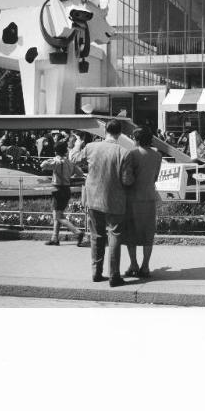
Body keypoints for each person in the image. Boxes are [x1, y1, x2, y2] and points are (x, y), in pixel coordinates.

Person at [71, 119, 128, 287]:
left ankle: (96, 273)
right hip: (115, 200)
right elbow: (127, 179)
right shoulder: (123, 152)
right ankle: (114, 275)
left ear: (105, 132)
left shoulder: (91, 147)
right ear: (120, 133)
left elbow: (74, 158)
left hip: (93, 198)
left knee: (96, 236)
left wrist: (77, 144)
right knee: (115, 235)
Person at [121, 126, 163, 278]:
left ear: (137, 140)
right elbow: (156, 177)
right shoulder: (157, 155)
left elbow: (126, 179)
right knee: (147, 234)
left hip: (133, 199)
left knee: (131, 233)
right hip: (149, 197)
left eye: (133, 138)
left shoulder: (132, 154)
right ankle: (145, 266)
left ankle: (134, 263)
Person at [40, 141, 85, 247]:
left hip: (58, 190)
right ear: (65, 151)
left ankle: (77, 232)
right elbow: (80, 173)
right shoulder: (70, 162)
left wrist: (52, 160)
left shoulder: (56, 161)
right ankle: (54, 238)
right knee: (59, 214)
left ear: (56, 151)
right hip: (67, 190)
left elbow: (43, 165)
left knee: (57, 216)